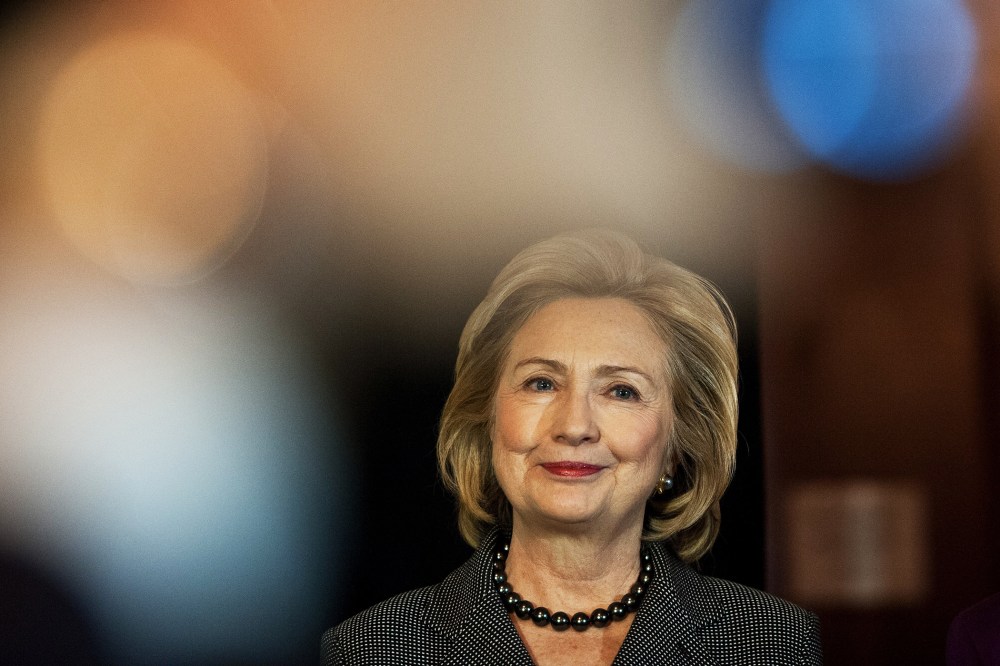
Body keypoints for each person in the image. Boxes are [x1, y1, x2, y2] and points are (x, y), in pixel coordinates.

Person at [321, 230, 821, 665]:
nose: (574, 425)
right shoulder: (374, 649)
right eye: (541, 383)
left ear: (676, 447)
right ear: (489, 419)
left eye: (621, 391)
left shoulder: (772, 645)